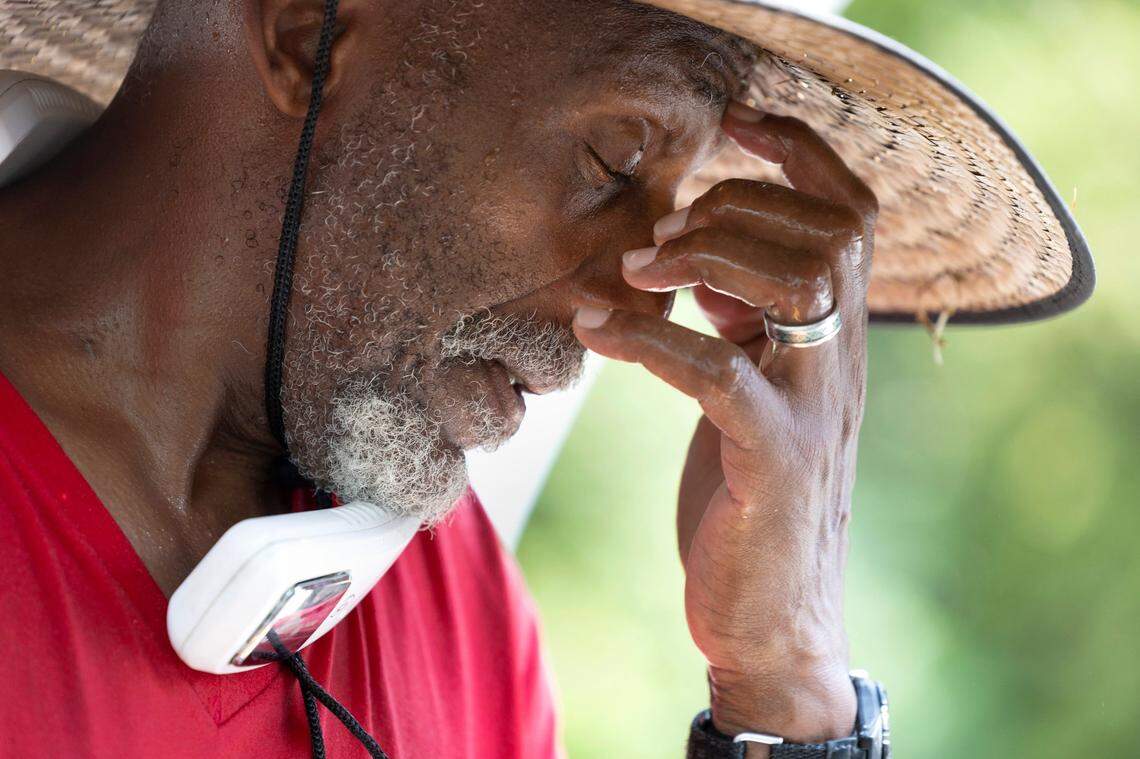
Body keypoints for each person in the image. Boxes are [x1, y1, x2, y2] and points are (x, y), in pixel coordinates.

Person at [0, 0, 1091, 757]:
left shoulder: (453, 595)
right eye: (613, 164)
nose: (633, 307)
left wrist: (787, 679)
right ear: (305, 35)